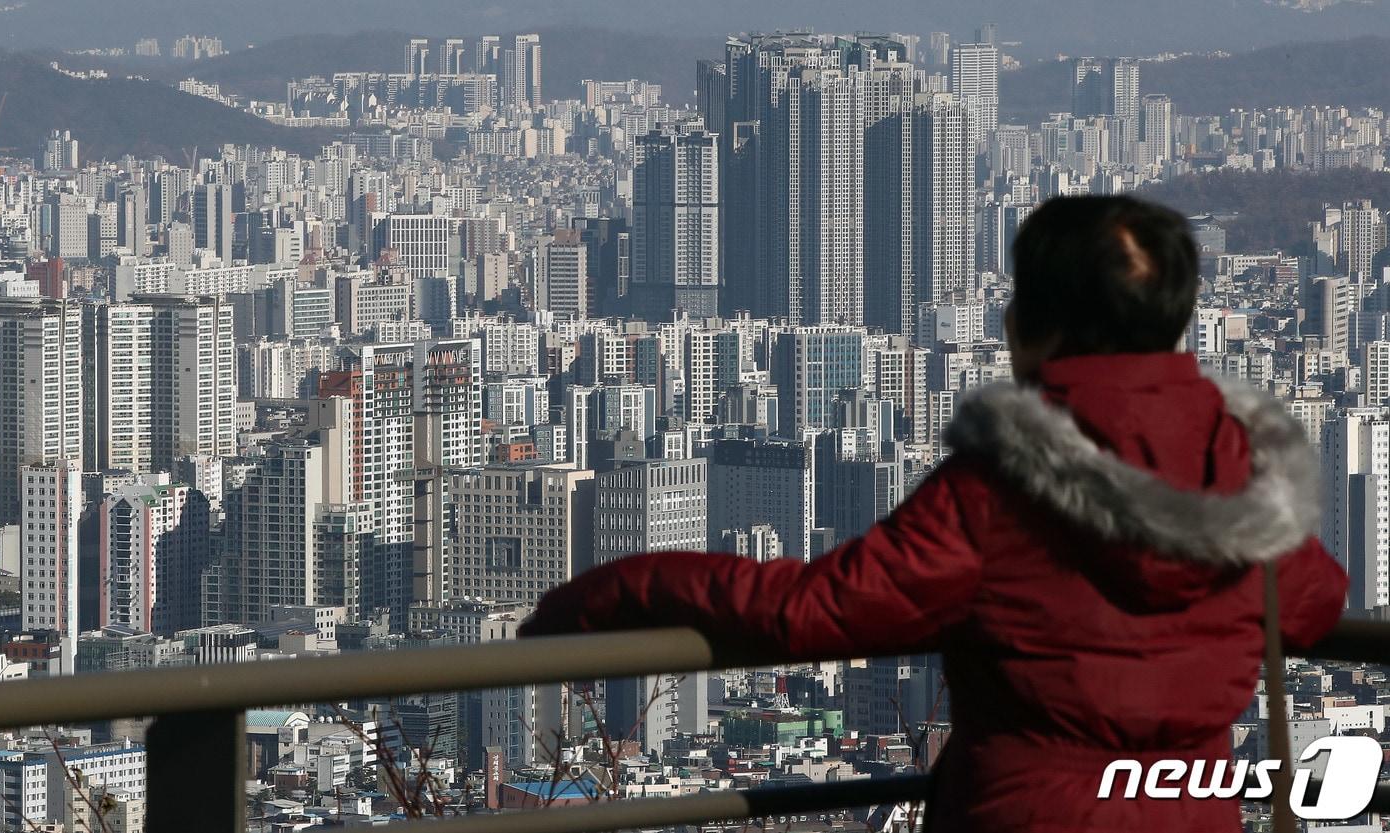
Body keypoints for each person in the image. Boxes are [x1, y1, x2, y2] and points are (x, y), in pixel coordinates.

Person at [518, 195, 1348, 832]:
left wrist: (599, 596)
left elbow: (813, 609)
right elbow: (1313, 600)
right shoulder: (1245, 478)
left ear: (1030, 328)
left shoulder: (1003, 490)